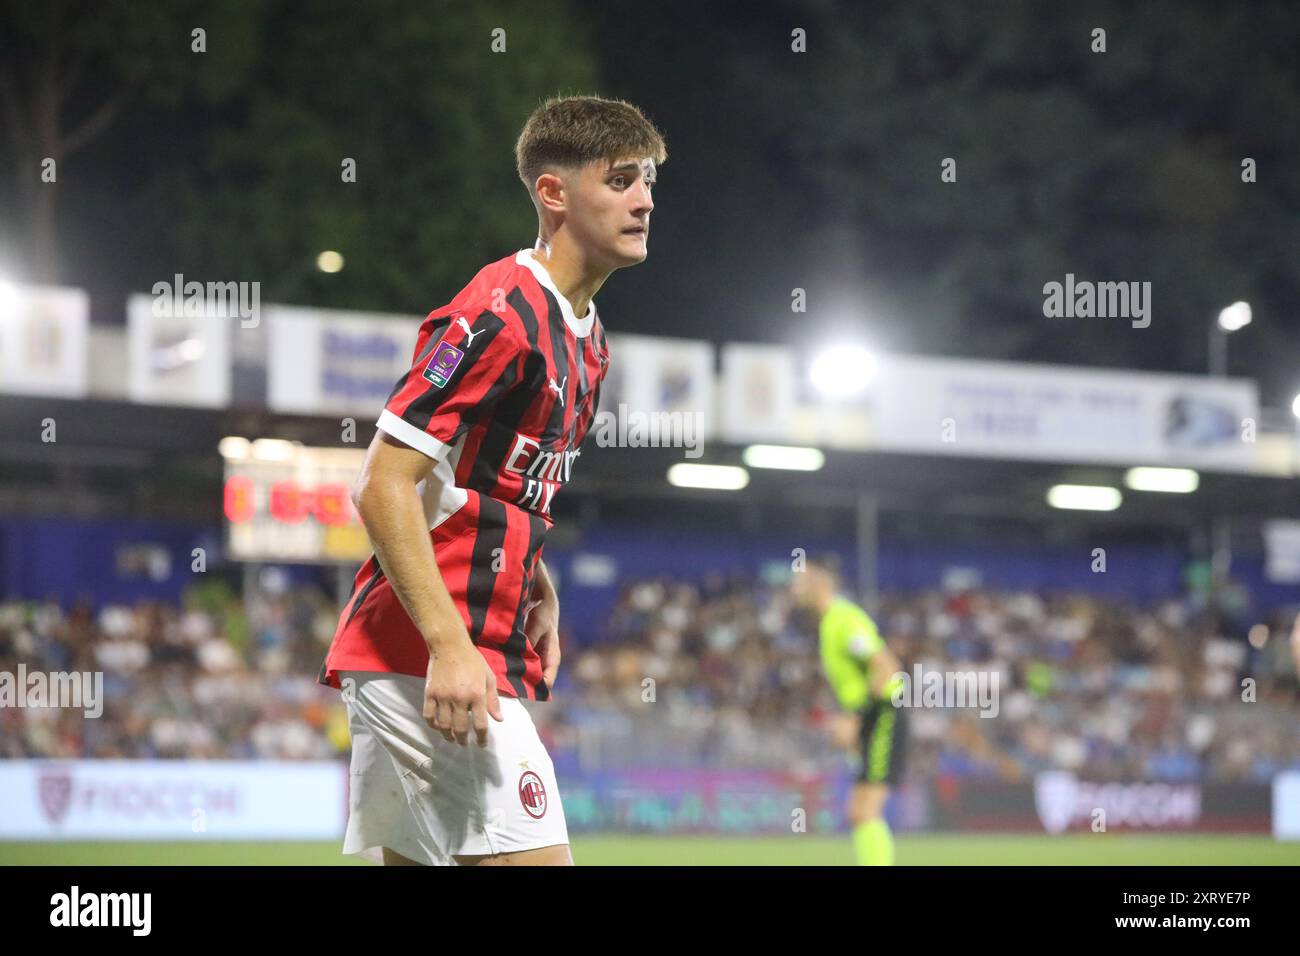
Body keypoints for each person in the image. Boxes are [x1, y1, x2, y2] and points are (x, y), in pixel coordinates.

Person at [318, 95, 666, 866]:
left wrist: (534, 578)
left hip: (448, 648)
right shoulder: (499, 314)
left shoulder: (591, 341)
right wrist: (449, 645)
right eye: (620, 180)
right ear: (553, 193)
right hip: (426, 650)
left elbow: (489, 485)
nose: (644, 199)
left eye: (647, 182)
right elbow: (382, 484)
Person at [790, 554, 906, 865]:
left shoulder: (844, 619)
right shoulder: (829, 624)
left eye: (800, 581)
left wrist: (857, 717)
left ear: (820, 584)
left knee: (867, 810)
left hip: (884, 712)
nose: (794, 589)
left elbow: (887, 667)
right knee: (858, 813)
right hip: (870, 714)